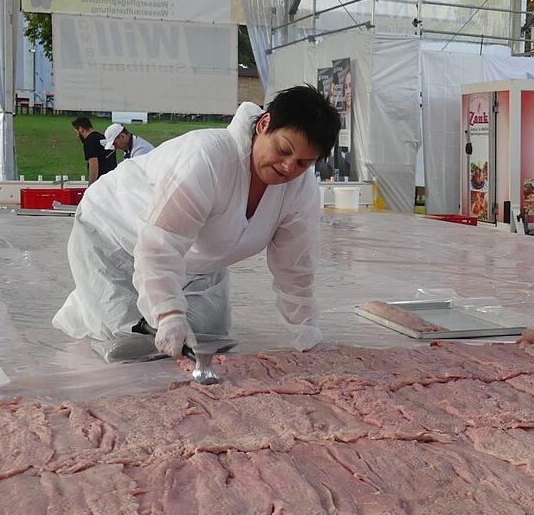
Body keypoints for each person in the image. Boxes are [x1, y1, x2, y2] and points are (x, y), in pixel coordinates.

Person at [53, 86, 341, 359]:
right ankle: (92, 301)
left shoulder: (299, 189)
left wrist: (306, 331)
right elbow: (159, 242)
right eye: (284, 149)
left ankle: (119, 301)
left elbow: (295, 269)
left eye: (304, 163)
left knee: (206, 339)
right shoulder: (208, 157)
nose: (289, 167)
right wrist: (168, 314)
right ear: (264, 124)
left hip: (196, 259)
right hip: (114, 232)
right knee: (129, 344)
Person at [72, 117, 117, 184]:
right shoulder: (103, 137)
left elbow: (93, 165)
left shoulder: (89, 141)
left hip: (101, 182)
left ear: (81, 129)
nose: (77, 136)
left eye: (77, 132)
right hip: (112, 179)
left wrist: (91, 186)